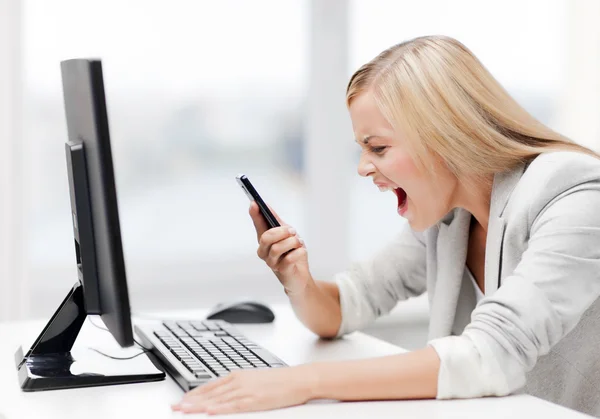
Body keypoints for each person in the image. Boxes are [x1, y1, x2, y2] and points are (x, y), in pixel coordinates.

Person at [172, 35, 600, 416]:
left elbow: (493, 354)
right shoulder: (449, 215)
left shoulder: (573, 193)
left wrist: (301, 382)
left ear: (445, 135)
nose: (362, 168)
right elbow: (345, 308)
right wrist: (298, 279)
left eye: (377, 147)